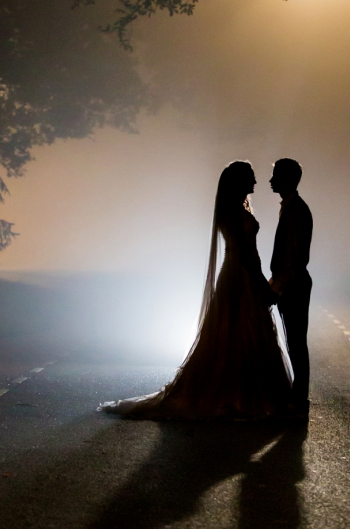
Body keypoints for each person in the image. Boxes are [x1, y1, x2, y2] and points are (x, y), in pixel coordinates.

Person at [99, 161, 292, 419]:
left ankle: (248, 393)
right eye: (250, 177)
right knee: (235, 331)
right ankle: (238, 394)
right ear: (239, 182)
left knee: (245, 332)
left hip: (244, 274)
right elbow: (244, 253)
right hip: (239, 276)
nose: (255, 181)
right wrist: (261, 284)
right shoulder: (232, 210)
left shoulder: (234, 208)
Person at [268, 159, 313, 417]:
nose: (271, 180)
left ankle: (299, 399)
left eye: (276, 176)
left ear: (287, 179)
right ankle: (298, 396)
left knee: (296, 342)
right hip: (293, 285)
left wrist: (277, 288)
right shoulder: (291, 207)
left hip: (294, 286)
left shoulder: (295, 210)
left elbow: (292, 256)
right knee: (294, 340)